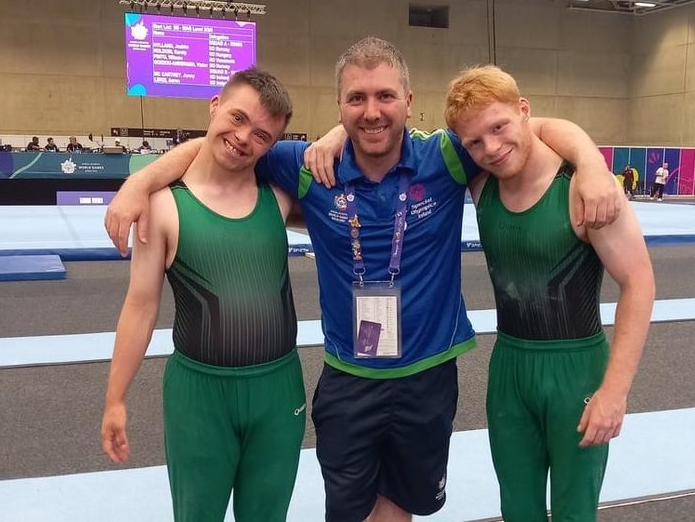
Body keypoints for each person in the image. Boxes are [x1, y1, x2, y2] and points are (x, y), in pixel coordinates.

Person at [103, 37, 623, 522]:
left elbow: (529, 126)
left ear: (408, 101)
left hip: (427, 373)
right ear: (339, 107)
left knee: (404, 503)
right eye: (356, 98)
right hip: (350, 377)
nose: (372, 110)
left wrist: (591, 162)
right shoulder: (307, 168)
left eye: (384, 97)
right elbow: (223, 146)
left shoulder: (446, 157)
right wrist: (141, 179)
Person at [444, 65, 654, 522]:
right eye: (474, 142)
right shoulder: (481, 184)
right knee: (517, 509)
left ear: (524, 111)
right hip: (509, 371)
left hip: (576, 371)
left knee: (574, 512)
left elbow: (639, 283)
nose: (492, 149)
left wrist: (615, 392)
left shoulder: (584, 189)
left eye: (499, 128)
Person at [100, 68, 306, 521]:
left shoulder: (280, 199)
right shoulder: (163, 207)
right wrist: (115, 398)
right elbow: (140, 307)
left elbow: (355, 198)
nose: (242, 138)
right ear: (213, 106)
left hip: (278, 390)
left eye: (261, 135)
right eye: (235, 118)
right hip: (199, 396)